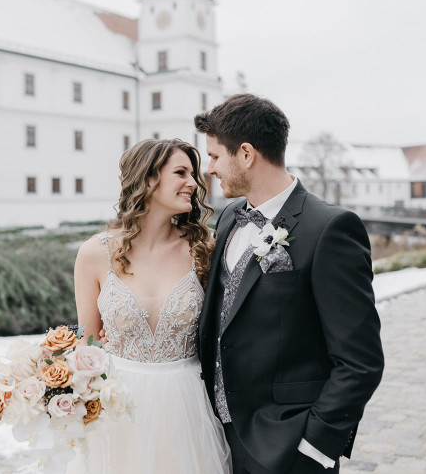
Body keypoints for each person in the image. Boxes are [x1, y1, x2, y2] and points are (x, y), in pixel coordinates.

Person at [195, 94, 385, 474]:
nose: (209, 168)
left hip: (288, 448)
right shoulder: (230, 217)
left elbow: (360, 361)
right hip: (217, 440)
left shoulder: (330, 229)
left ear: (246, 154)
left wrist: (314, 448)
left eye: (215, 156)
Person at [70, 138, 232, 474]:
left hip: (187, 406)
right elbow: (87, 346)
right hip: (117, 406)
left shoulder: (206, 248)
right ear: (148, 179)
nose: (194, 183)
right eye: (181, 173)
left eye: (193, 174)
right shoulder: (94, 254)